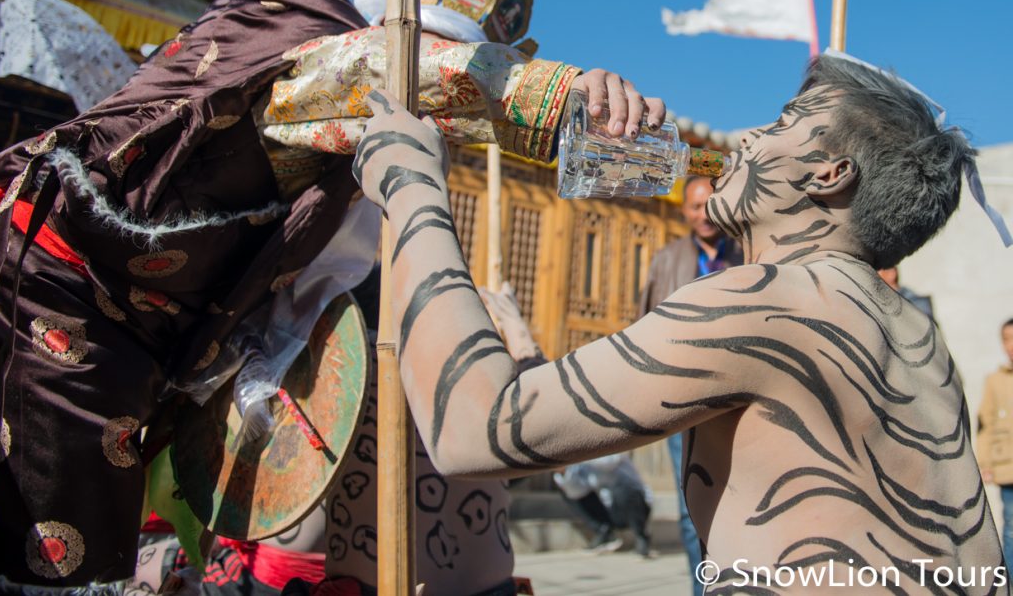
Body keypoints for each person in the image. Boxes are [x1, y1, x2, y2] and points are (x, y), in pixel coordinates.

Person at [0, 0, 662, 591]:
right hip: (61, 285)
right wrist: (570, 91)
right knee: (56, 545)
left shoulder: (337, 169)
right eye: (437, 118)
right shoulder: (319, 59)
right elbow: (406, 75)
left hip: (144, 327)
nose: (437, 135)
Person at [353, 54, 1009, 594]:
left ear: (828, 173)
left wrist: (414, 193)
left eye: (783, 122)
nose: (746, 136)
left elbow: (473, 430)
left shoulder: (763, 300)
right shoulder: (916, 334)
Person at [638, 175, 741, 591]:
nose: (702, 215)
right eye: (695, 207)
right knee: (688, 510)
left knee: (735, 502)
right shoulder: (667, 260)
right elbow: (645, 323)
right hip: (681, 398)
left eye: (708, 206)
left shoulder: (745, 257)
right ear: (684, 211)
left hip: (734, 400)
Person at [977, 318, 1013, 574]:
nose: (1010, 345)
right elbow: (985, 424)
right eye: (1006, 339)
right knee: (1011, 526)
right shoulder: (995, 380)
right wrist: (985, 463)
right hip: (1008, 465)